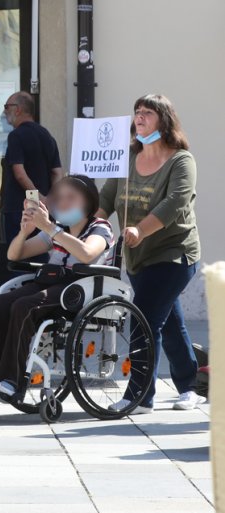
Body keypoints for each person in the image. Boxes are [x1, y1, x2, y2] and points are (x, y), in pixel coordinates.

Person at [98, 94, 203, 413]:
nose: (139, 117)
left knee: (144, 318)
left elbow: (175, 204)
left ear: (165, 120)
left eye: (148, 112)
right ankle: (191, 385)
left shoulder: (180, 160)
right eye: (137, 112)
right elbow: (106, 198)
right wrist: (94, 226)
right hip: (138, 257)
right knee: (168, 321)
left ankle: (140, 396)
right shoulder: (126, 158)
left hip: (174, 254)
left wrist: (140, 230)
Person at [0, 176, 114, 396]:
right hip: (50, 281)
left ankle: (12, 380)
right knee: (0, 303)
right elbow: (14, 254)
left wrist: (49, 227)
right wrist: (25, 232)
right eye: (60, 198)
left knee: (25, 306)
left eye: (71, 197)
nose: (63, 203)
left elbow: (87, 253)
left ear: (88, 202)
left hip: (77, 289)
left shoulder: (99, 228)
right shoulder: (58, 229)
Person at [2, 91, 64, 243]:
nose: (4, 111)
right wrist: (50, 199)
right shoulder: (47, 136)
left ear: (18, 109)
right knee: (40, 255)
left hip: (20, 210)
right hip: (43, 212)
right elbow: (57, 172)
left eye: (7, 106)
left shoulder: (16, 136)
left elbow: (20, 173)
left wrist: (37, 197)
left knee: (19, 258)